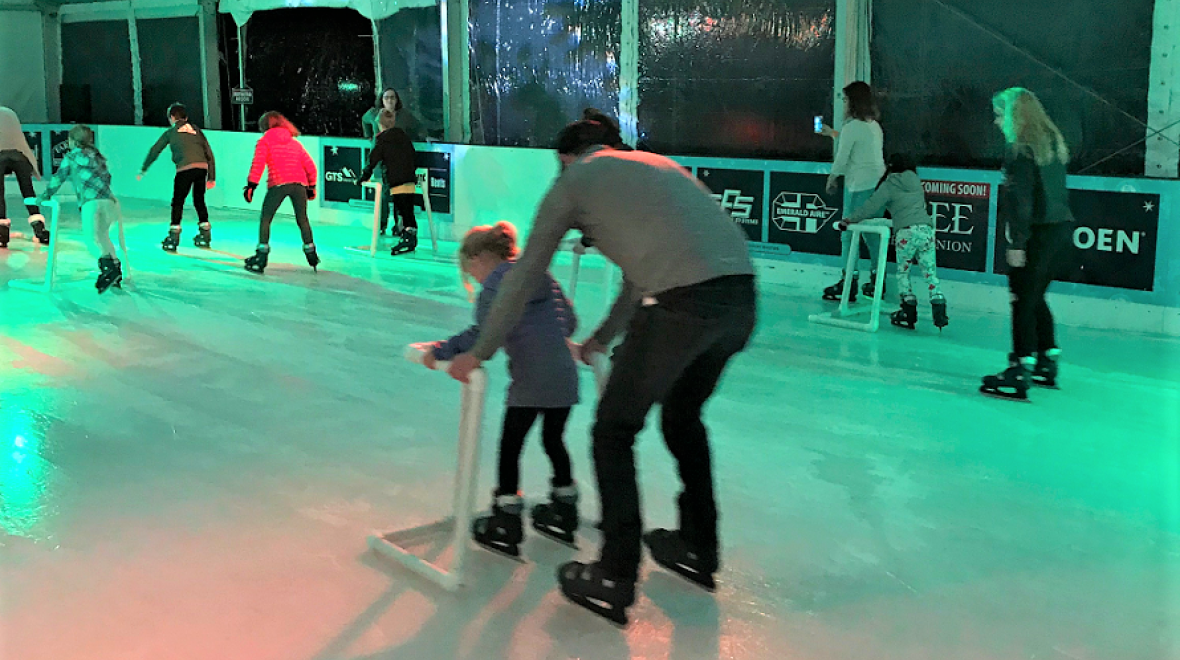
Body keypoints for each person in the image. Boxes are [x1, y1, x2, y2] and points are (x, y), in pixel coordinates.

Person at [444, 120, 757, 626]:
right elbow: (640, 277)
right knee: (682, 417)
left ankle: (615, 573)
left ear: (566, 158)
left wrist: (479, 350)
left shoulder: (575, 180)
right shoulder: (656, 168)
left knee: (613, 431)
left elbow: (523, 275)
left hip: (681, 306)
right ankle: (699, 546)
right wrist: (599, 342)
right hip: (740, 302)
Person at [422, 222, 581, 557]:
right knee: (554, 439)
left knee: (511, 446)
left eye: (471, 271)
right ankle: (565, 509)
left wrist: (441, 349)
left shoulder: (495, 285)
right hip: (564, 375)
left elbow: (483, 333)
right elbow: (569, 321)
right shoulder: (541, 276)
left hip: (531, 378)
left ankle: (506, 520)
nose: (474, 278)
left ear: (479, 258)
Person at [980, 88, 1075, 401]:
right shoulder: (1051, 144)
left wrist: (1017, 242)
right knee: (1035, 296)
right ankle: (1047, 358)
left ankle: (1021, 366)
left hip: (1036, 233)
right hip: (1060, 230)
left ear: (1013, 115)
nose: (996, 122)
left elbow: (1021, 202)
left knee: (1022, 298)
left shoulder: (1020, 150)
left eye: (999, 114)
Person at [841, 153, 948, 330]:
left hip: (906, 232)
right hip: (926, 229)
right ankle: (939, 310)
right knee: (930, 272)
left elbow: (871, 206)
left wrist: (850, 219)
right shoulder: (915, 181)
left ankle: (908, 311)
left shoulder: (890, 184)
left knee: (903, 273)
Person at [35, 125, 123, 293]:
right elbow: (107, 177)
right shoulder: (98, 156)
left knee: (91, 239)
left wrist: (44, 195)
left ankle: (108, 270)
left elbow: (58, 178)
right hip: (109, 201)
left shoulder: (72, 156)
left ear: (73, 141)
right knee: (103, 237)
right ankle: (116, 270)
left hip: (91, 202)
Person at [821, 81, 886, 302]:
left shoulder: (852, 127)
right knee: (872, 235)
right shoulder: (873, 126)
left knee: (848, 235)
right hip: (877, 186)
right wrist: (834, 134)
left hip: (859, 187)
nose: (844, 104)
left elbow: (843, 157)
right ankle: (877, 281)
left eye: (846, 99)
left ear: (853, 101)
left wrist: (832, 177)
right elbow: (858, 145)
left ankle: (848, 281)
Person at [242, 112, 320, 274]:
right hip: (299, 184)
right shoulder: (294, 144)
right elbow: (310, 166)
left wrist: (251, 186)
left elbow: (258, 164)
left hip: (278, 183)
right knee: (302, 219)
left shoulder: (264, 142)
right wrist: (311, 187)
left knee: (266, 219)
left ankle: (261, 256)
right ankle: (311, 253)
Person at [138, 103, 216, 251]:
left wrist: (144, 168)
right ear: (186, 117)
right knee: (199, 200)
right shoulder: (197, 131)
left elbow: (155, 150)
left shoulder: (171, 132)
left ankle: (174, 236)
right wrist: (211, 177)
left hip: (185, 168)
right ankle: (205, 234)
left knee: (178, 201)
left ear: (172, 117)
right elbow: (209, 154)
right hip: (202, 167)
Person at [357, 109, 419, 255]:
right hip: (409, 179)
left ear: (379, 124)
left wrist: (363, 177)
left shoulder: (381, 139)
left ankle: (408, 236)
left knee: (403, 209)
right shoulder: (404, 137)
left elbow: (372, 160)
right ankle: (409, 234)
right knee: (407, 209)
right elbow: (413, 156)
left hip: (395, 180)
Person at [0, 106, 49, 248]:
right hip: (20, 155)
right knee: (28, 190)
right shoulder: (10, 112)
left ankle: (2, 233)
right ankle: (39, 229)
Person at [362, 88, 404, 234]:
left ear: (397, 100)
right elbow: (364, 120)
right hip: (379, 159)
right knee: (383, 194)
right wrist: (369, 135)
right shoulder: (374, 113)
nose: (390, 100)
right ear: (382, 100)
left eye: (393, 97)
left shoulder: (403, 116)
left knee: (398, 193)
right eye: (386, 97)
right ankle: (381, 225)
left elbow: (417, 128)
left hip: (396, 160)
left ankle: (398, 225)